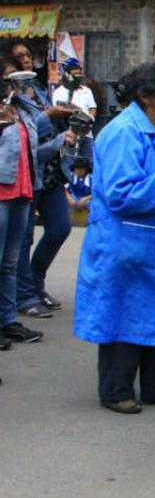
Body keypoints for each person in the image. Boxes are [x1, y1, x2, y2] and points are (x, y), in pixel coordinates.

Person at [73, 62, 155, 415]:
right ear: (145, 95)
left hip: (153, 243)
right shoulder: (123, 132)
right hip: (124, 244)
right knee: (124, 316)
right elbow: (119, 194)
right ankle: (115, 391)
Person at [0, 55, 52, 346]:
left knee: (9, 263)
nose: (13, 83)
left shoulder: (22, 108)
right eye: (8, 77)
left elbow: (36, 145)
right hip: (1, 192)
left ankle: (7, 321)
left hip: (22, 190)